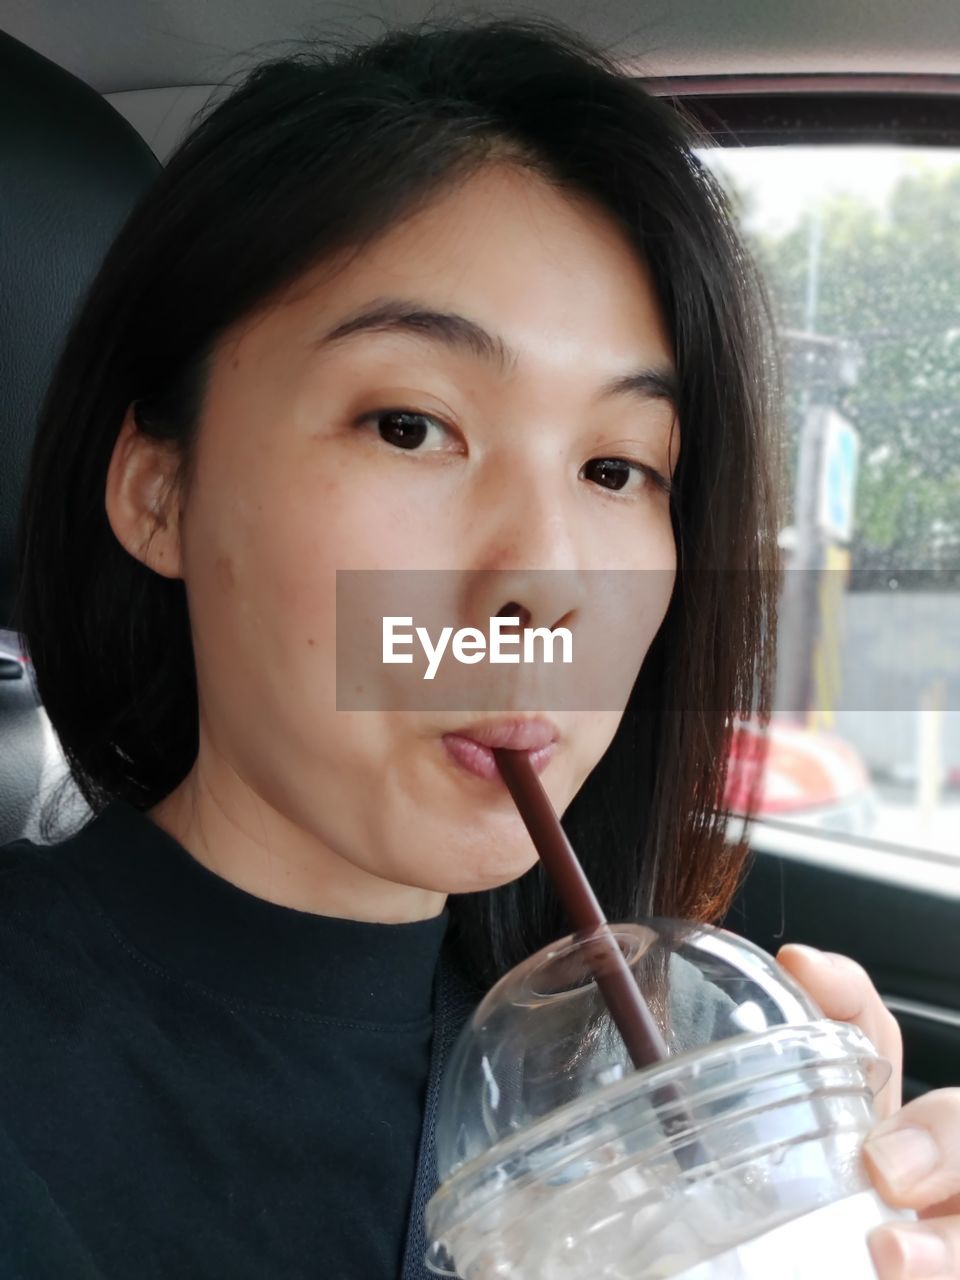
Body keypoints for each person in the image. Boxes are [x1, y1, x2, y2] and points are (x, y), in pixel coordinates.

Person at [4, 17, 958, 1280]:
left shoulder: (647, 1104)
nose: (544, 583)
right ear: (158, 491)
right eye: (410, 424)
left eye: (618, 467)